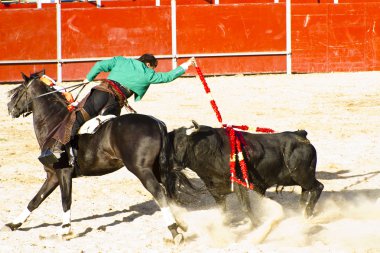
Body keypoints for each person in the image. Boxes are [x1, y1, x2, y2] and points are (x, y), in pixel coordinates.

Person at [39, 54, 196, 169]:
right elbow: (168, 77)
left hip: (101, 94)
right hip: (115, 104)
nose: (154, 71)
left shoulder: (122, 60)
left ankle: (59, 150)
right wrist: (186, 65)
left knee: (76, 118)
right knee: (108, 134)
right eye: (154, 67)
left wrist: (88, 78)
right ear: (149, 64)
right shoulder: (148, 73)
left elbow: (100, 64)